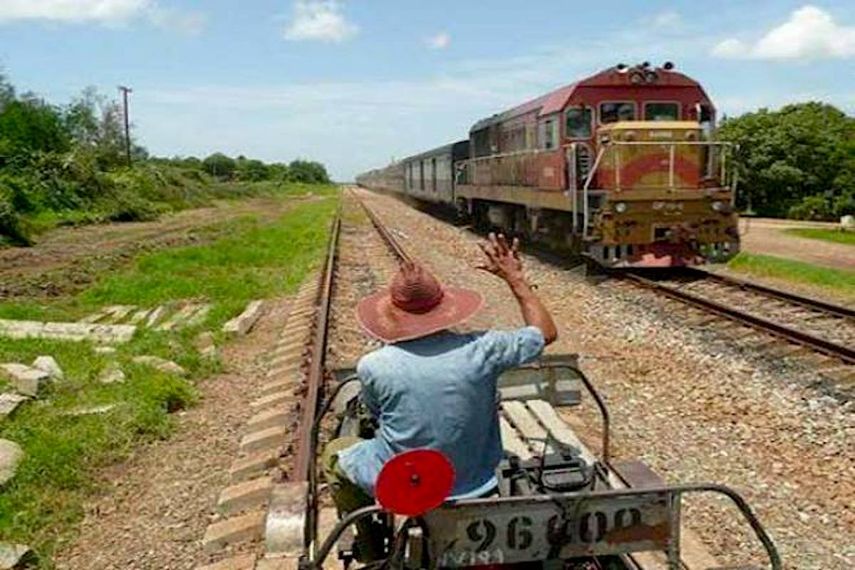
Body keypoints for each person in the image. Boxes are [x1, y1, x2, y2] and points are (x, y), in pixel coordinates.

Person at [322, 233, 557, 558]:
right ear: (445, 307)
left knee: (335, 454)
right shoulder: (483, 349)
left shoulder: (374, 366)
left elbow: (375, 416)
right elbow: (545, 333)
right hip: (480, 479)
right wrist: (516, 279)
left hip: (409, 485)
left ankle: (371, 546)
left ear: (393, 313)